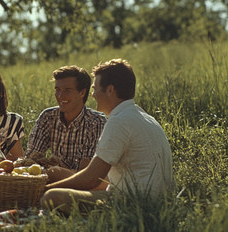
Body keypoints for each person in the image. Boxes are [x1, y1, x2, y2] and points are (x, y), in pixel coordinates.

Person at [40, 59, 175, 214]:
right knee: (57, 180)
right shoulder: (144, 117)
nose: (93, 94)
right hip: (158, 200)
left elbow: (92, 178)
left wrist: (45, 188)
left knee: (51, 197)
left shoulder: (119, 121)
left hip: (134, 203)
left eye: (95, 88)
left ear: (110, 90)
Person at [25, 65, 106, 183]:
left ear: (82, 92)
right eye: (57, 89)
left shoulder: (96, 122)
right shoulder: (48, 117)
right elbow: (31, 158)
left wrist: (55, 168)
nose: (60, 95)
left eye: (68, 90)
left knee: (53, 173)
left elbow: (86, 172)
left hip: (83, 183)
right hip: (54, 177)